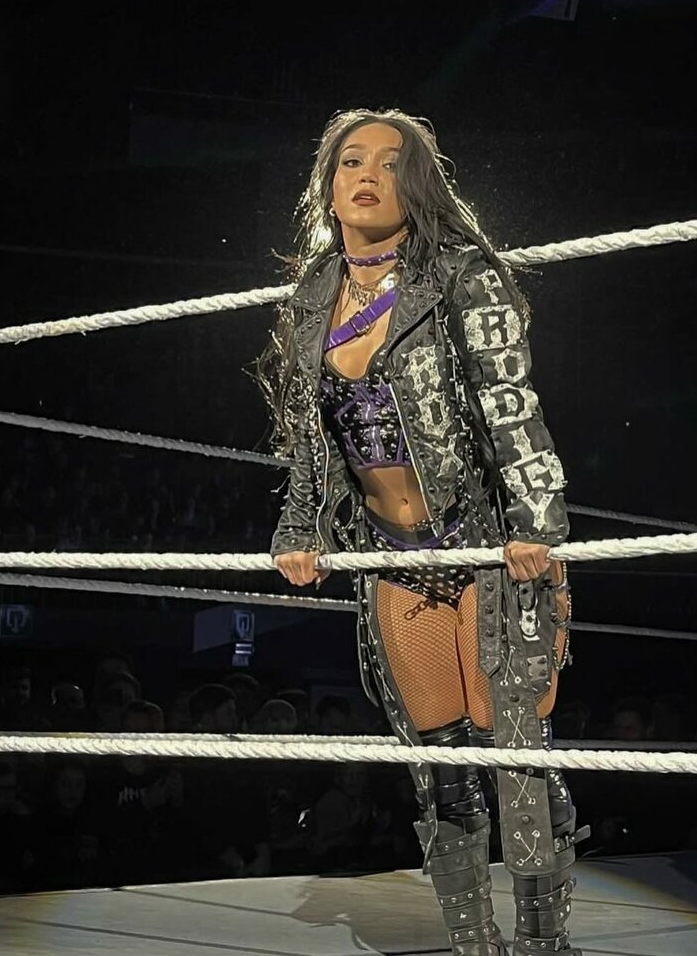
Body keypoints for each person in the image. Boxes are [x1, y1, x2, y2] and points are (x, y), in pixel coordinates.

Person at [262, 109, 586, 955]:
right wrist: (299, 526)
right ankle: (472, 945)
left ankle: (544, 944)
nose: (367, 175)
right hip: (391, 554)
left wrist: (536, 524)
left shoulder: (459, 275)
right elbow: (307, 434)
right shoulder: (312, 296)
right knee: (440, 765)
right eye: (351, 161)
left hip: (484, 541)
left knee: (513, 754)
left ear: (417, 184)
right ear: (327, 183)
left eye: (389, 162)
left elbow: (511, 406)